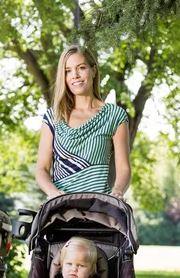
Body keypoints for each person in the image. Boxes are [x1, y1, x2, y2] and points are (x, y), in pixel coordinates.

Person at [35, 44, 131, 200]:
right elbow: (41, 168)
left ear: (93, 70)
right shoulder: (53, 117)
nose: (75, 75)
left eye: (81, 68)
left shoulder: (115, 115)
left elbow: (124, 169)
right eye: (68, 71)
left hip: (100, 208)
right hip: (62, 208)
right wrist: (53, 192)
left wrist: (117, 192)